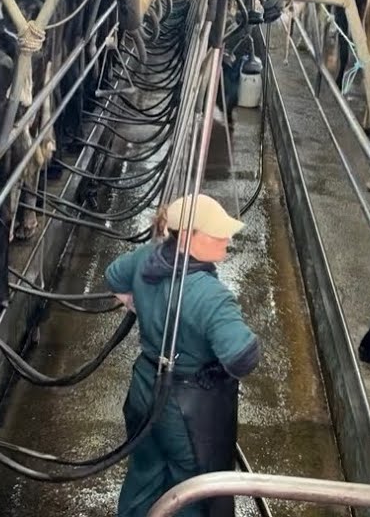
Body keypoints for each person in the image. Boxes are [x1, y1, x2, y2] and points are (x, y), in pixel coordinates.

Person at [108, 193, 261, 517]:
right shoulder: (210, 296)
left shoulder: (146, 257)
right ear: (191, 238)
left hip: (144, 388)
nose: (227, 238)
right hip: (189, 412)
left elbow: (114, 277)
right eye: (217, 232)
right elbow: (242, 358)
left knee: (145, 471)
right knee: (192, 493)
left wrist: (149, 313)